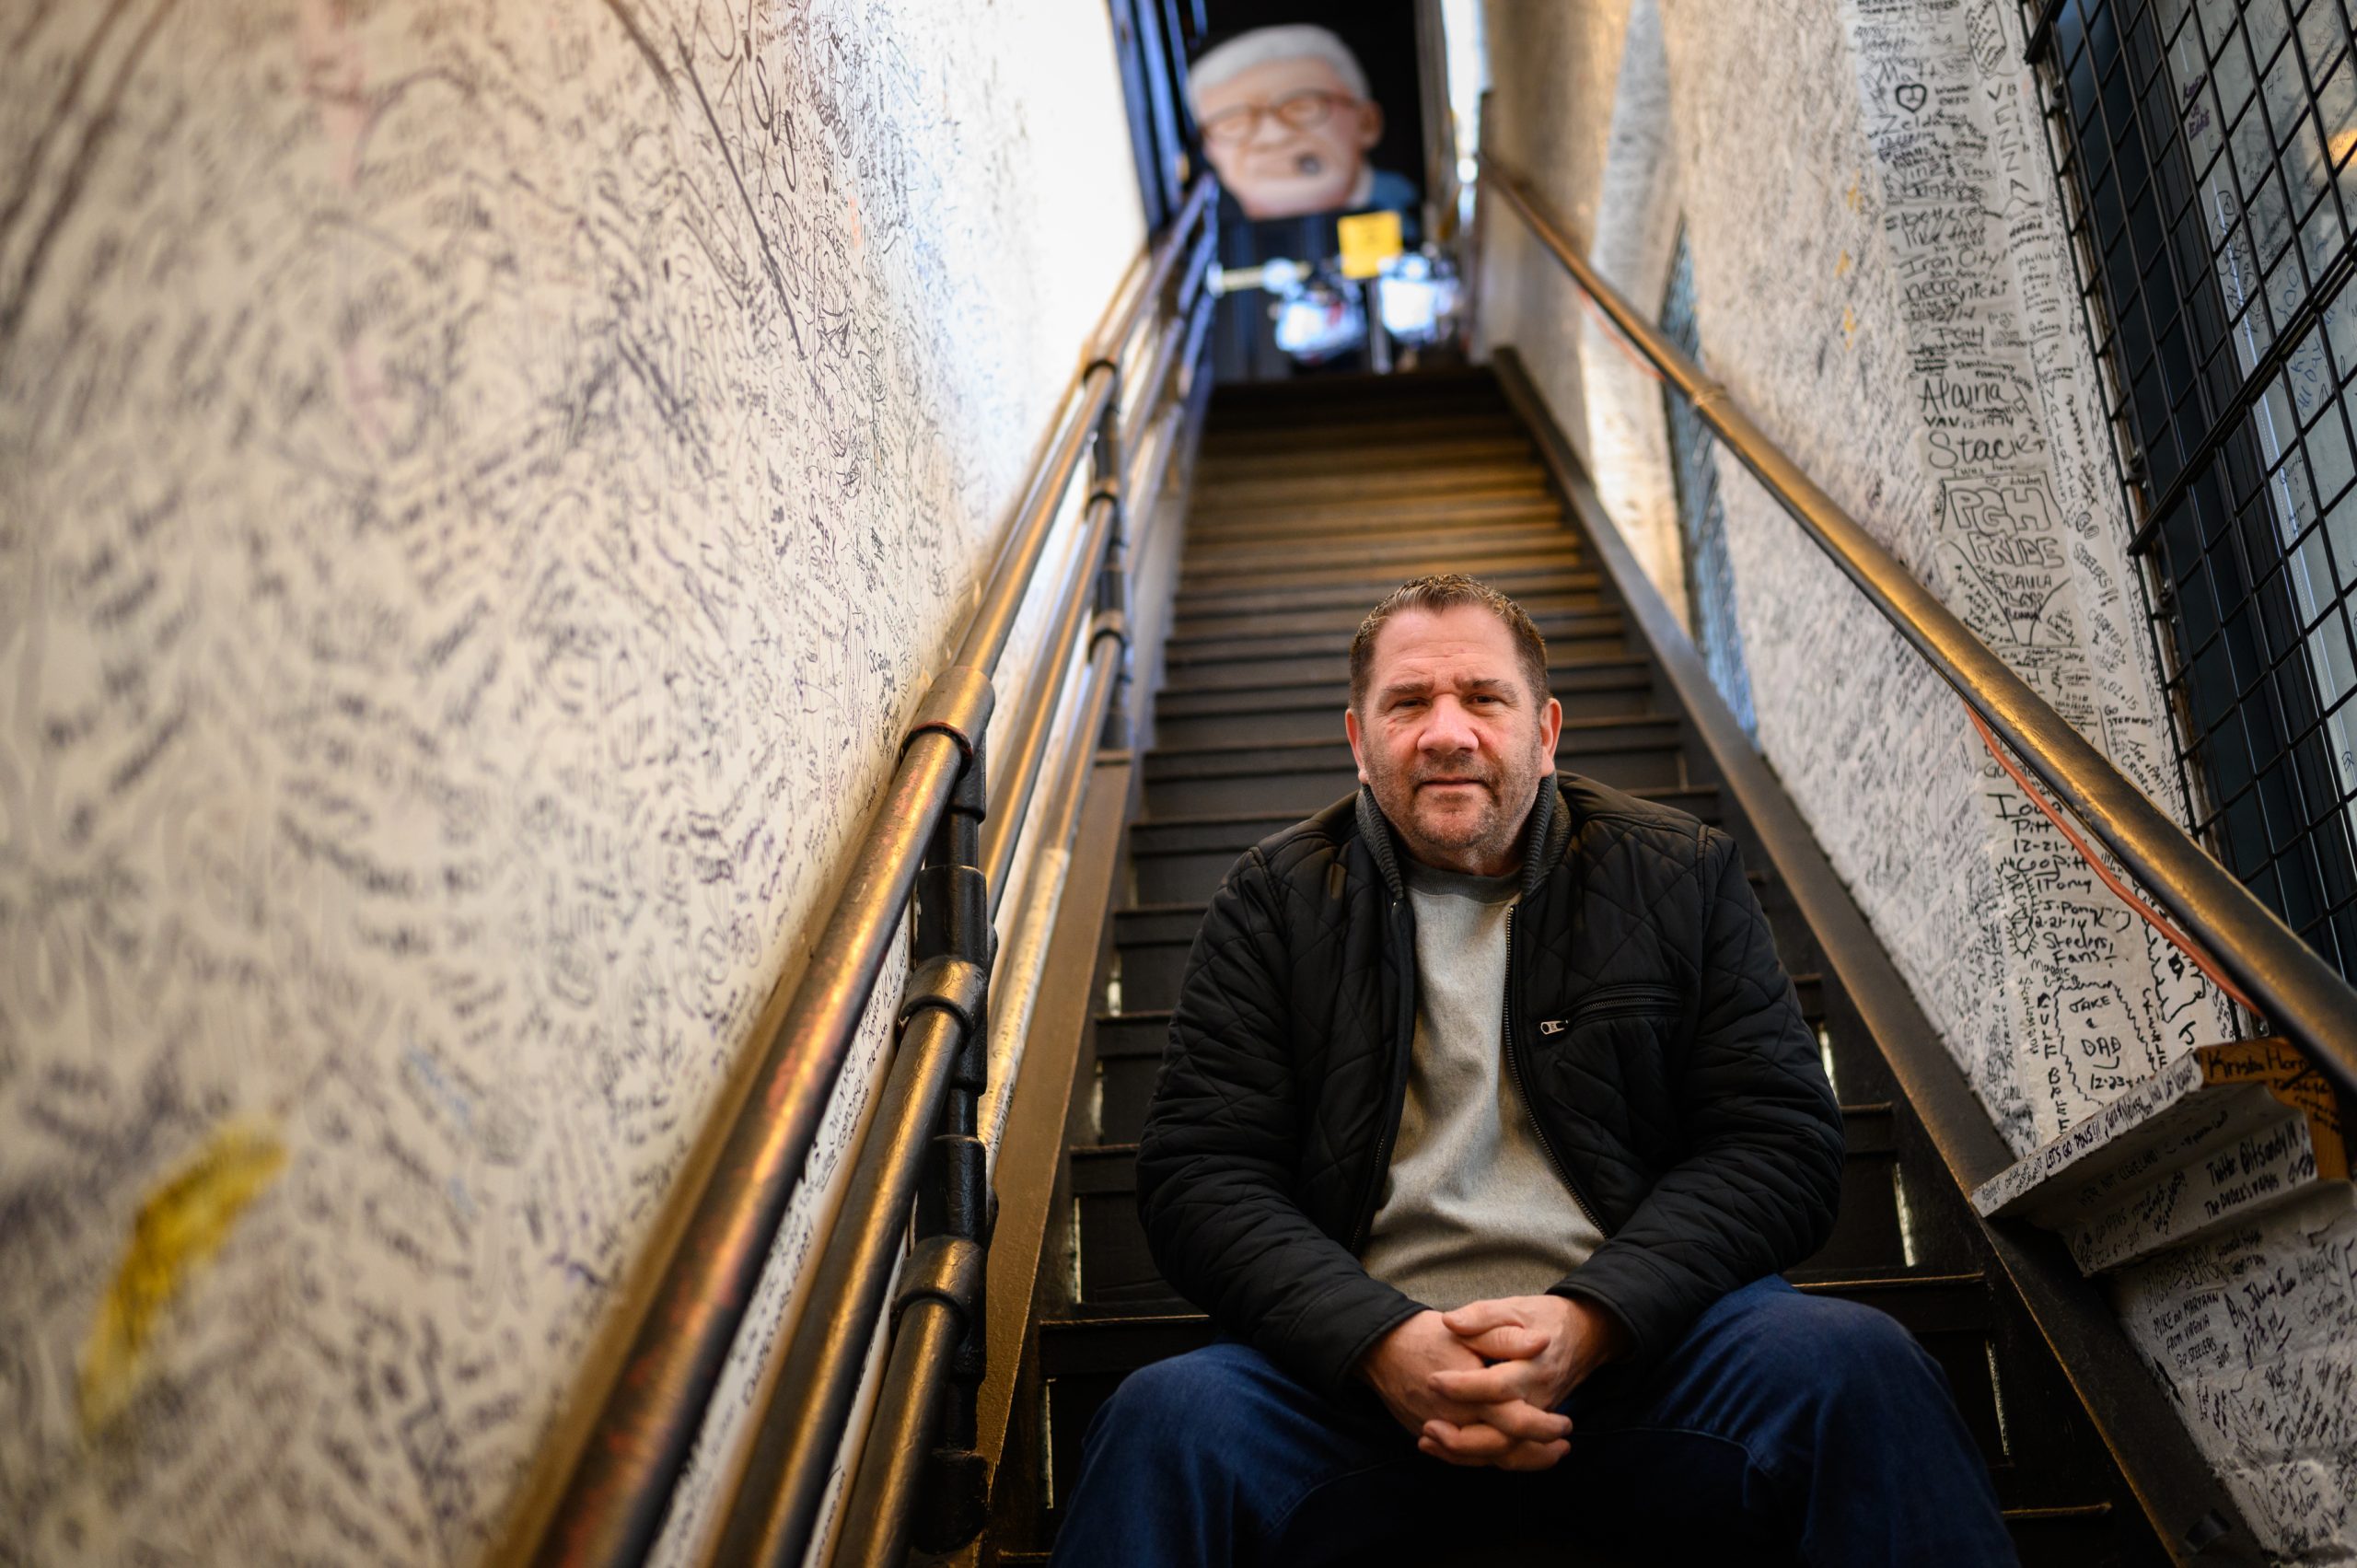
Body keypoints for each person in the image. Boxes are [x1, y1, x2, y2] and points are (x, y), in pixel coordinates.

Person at [1048, 575, 2018, 1566]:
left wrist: (1593, 1318)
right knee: (1163, 1417)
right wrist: (1379, 1341)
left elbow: (1779, 1142)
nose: (1446, 730)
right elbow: (1199, 1177)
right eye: (1408, 701)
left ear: (1544, 730)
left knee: (1857, 1365)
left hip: (1652, 1362)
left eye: (1482, 696)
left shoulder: (1680, 871)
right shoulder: (1268, 902)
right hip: (1353, 1394)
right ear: (1358, 737)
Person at [1188, 24, 1418, 222]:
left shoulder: (1409, 206)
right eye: (1235, 123)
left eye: (1300, 108)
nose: (1274, 136)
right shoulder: (1198, 241)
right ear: (1209, 149)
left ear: (1367, 122)